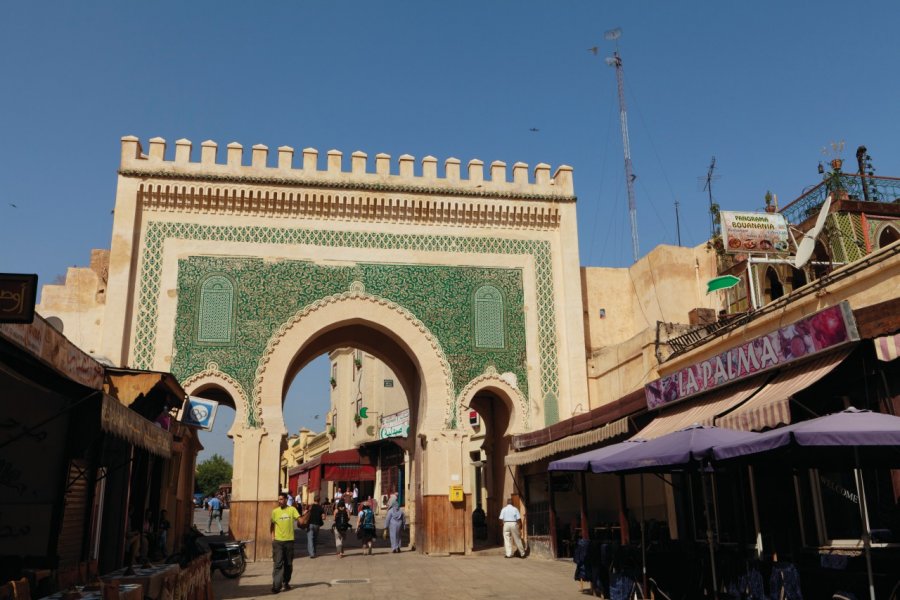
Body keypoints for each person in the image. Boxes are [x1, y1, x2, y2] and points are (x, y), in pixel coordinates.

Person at [270, 492, 302, 594]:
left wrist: (304, 518)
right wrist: (272, 537)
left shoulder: (292, 510)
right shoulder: (275, 512)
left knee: (288, 564)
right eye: (279, 499)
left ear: (286, 500)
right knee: (278, 563)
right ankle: (276, 586)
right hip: (278, 542)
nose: (280, 501)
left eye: (282, 499)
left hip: (289, 541)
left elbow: (300, 520)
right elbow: (272, 525)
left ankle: (286, 582)